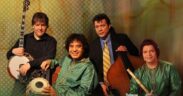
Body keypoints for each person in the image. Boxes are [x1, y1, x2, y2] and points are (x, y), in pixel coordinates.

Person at [6, 12, 57, 96]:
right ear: (33, 26)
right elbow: (9, 55)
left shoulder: (51, 41)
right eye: (37, 25)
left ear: (47, 26)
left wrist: (29, 64)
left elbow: (50, 56)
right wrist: (13, 51)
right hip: (23, 76)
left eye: (43, 25)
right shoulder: (25, 38)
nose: (40, 28)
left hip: (41, 76)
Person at [89, 13, 139, 96]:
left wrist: (127, 50)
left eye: (102, 25)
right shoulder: (92, 46)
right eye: (97, 27)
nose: (100, 29)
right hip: (103, 85)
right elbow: (93, 68)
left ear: (109, 26)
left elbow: (136, 53)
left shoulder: (122, 38)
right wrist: (101, 83)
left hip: (123, 82)